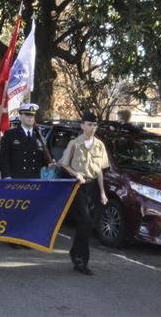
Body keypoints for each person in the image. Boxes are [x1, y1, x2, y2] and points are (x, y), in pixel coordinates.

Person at [61, 111, 109, 276]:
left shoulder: (100, 145)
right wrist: (76, 174)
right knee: (85, 220)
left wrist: (103, 192)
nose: (92, 128)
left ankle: (76, 252)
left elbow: (100, 171)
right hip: (78, 187)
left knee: (88, 224)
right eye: (89, 124)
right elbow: (65, 164)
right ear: (82, 125)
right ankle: (82, 261)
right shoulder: (74, 143)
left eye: (95, 125)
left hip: (93, 187)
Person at [0, 103, 49, 180]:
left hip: (34, 179)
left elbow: (42, 158)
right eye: (27, 115)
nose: (30, 118)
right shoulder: (10, 134)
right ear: (20, 117)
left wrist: (50, 162)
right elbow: (3, 157)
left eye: (32, 115)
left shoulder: (39, 135)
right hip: (15, 179)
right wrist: (6, 176)